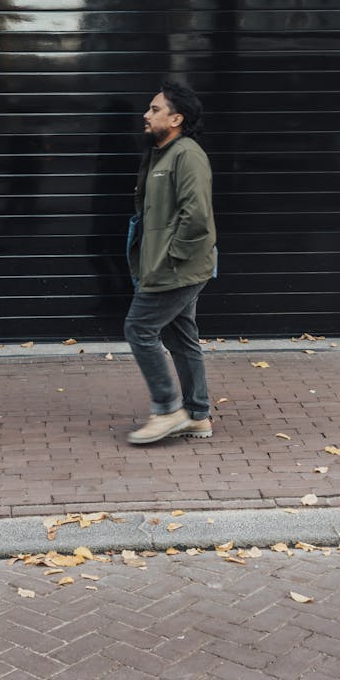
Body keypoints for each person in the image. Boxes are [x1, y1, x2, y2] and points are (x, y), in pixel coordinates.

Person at [124, 81, 216, 445]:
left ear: (176, 118)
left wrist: (169, 258)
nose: (146, 115)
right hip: (169, 264)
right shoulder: (161, 154)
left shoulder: (186, 154)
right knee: (181, 338)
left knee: (139, 329)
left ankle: (167, 409)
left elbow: (196, 216)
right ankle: (197, 415)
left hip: (177, 268)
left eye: (155, 109)